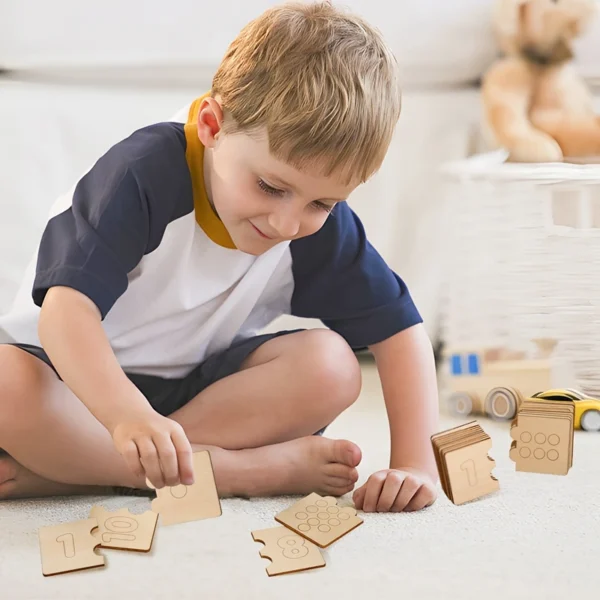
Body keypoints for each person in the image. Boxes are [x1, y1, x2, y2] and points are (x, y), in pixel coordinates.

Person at [0, 1, 439, 513]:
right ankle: (237, 471)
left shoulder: (310, 225)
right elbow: (65, 315)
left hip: (198, 394)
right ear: (212, 125)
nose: (287, 224)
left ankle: (73, 472)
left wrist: (415, 464)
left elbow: (401, 333)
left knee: (334, 366)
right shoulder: (143, 173)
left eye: (321, 203)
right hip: (69, 381)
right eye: (270, 186)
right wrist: (125, 417)